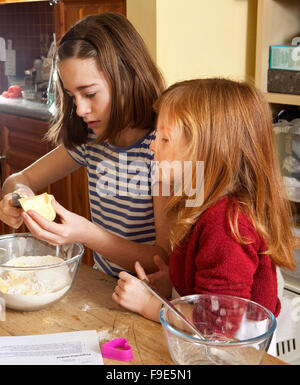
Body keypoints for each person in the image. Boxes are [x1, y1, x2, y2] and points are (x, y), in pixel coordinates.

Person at [0, 13, 170, 277]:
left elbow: (164, 260)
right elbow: (19, 178)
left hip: (151, 300)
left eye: (89, 93)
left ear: (127, 77)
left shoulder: (163, 147)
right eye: (72, 96)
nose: (79, 109)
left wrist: (87, 234)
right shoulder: (92, 141)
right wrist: (17, 197)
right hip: (104, 289)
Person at [112, 78, 296, 323]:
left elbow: (218, 324)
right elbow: (206, 292)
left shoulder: (227, 225)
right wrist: (174, 286)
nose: (153, 146)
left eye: (165, 139)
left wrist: (150, 305)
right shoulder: (198, 200)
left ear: (209, 152)